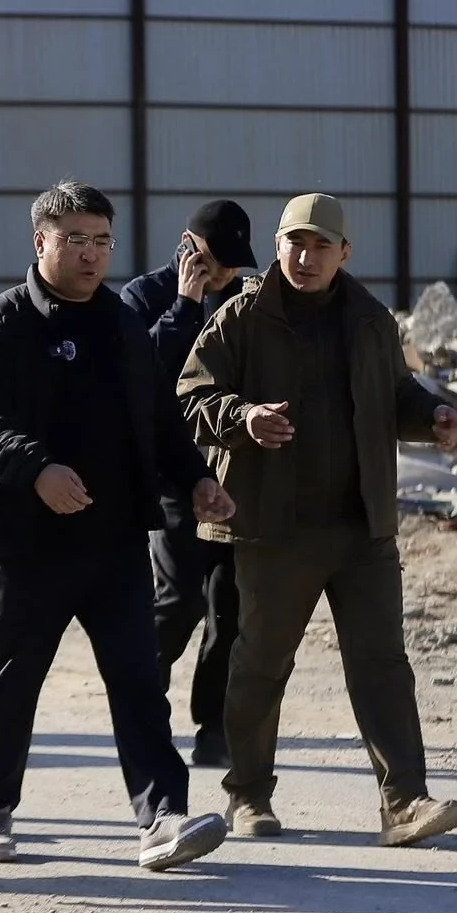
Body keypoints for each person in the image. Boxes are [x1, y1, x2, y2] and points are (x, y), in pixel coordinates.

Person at [0, 180, 234, 872]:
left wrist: (196, 478)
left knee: (139, 682)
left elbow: (160, 418)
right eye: (75, 239)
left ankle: (162, 818)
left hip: (113, 540)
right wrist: (36, 469)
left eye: (102, 241)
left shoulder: (122, 324)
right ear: (41, 242)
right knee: (12, 677)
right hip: (26, 541)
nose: (91, 254)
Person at [180, 193, 457, 847]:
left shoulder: (369, 319)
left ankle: (404, 802)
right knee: (262, 663)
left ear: (344, 253)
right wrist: (243, 418)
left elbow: (394, 395)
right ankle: (248, 795)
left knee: (382, 663)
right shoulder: (240, 318)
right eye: (296, 243)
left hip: (361, 525)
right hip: (274, 526)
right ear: (278, 245)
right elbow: (191, 395)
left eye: (321, 246)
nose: (306, 257)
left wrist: (432, 417)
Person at [121, 200, 259, 769]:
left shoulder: (248, 300)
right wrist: (185, 305)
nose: (224, 271)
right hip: (172, 476)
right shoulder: (144, 298)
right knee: (179, 599)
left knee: (230, 605)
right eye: (213, 258)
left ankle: (214, 727)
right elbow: (139, 375)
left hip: (234, 472)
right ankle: (140, 707)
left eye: (233, 262)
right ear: (186, 246)